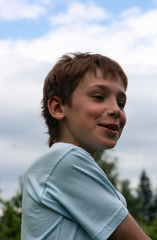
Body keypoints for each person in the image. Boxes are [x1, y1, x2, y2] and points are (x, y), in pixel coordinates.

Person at [21, 52, 151, 240]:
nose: (115, 109)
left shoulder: (63, 165)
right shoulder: (64, 160)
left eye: (121, 103)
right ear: (58, 108)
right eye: (99, 97)